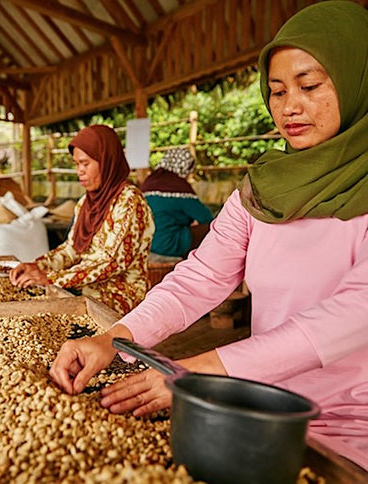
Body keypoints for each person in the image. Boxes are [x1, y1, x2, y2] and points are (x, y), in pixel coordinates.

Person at [49, 1, 368, 471]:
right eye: (277, 92)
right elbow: (198, 278)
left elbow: (345, 318)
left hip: (351, 424)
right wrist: (115, 339)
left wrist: (198, 374)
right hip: (259, 406)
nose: (289, 107)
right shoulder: (262, 191)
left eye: (310, 85)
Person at [10, 124, 154, 316]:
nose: (80, 171)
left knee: (49, 309)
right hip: (86, 285)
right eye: (76, 164)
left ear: (107, 161)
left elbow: (111, 262)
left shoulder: (129, 201)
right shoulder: (86, 202)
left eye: (85, 164)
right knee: (31, 297)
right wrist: (37, 266)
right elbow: (71, 250)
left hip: (120, 295)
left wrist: (53, 279)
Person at [141, 147, 213, 258]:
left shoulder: (149, 183)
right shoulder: (178, 187)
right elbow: (206, 217)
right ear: (184, 168)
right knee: (212, 228)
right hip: (169, 244)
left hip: (146, 243)